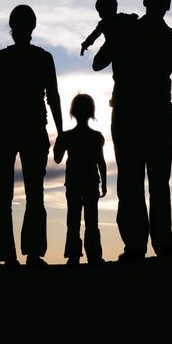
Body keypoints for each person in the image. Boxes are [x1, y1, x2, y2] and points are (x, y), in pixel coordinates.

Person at [93, 0, 172, 261]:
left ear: (144, 2)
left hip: (141, 113)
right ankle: (152, 245)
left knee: (138, 181)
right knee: (149, 182)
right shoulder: (160, 35)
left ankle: (144, 245)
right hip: (144, 113)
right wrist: (112, 32)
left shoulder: (150, 34)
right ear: (166, 4)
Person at [0, 5, 63, 267]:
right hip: (26, 129)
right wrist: (61, 132)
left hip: (10, 129)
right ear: (33, 26)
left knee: (6, 197)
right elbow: (53, 97)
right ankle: (31, 253)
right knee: (32, 194)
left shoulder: (3, 58)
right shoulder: (41, 58)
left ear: (12, 27)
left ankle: (12, 254)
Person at [53, 94, 108, 266]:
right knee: (92, 220)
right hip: (91, 181)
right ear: (91, 112)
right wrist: (104, 183)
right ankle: (94, 254)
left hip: (74, 182)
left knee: (73, 219)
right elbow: (101, 161)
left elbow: (57, 159)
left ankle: (73, 254)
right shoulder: (96, 136)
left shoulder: (68, 136)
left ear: (72, 113)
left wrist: (59, 142)